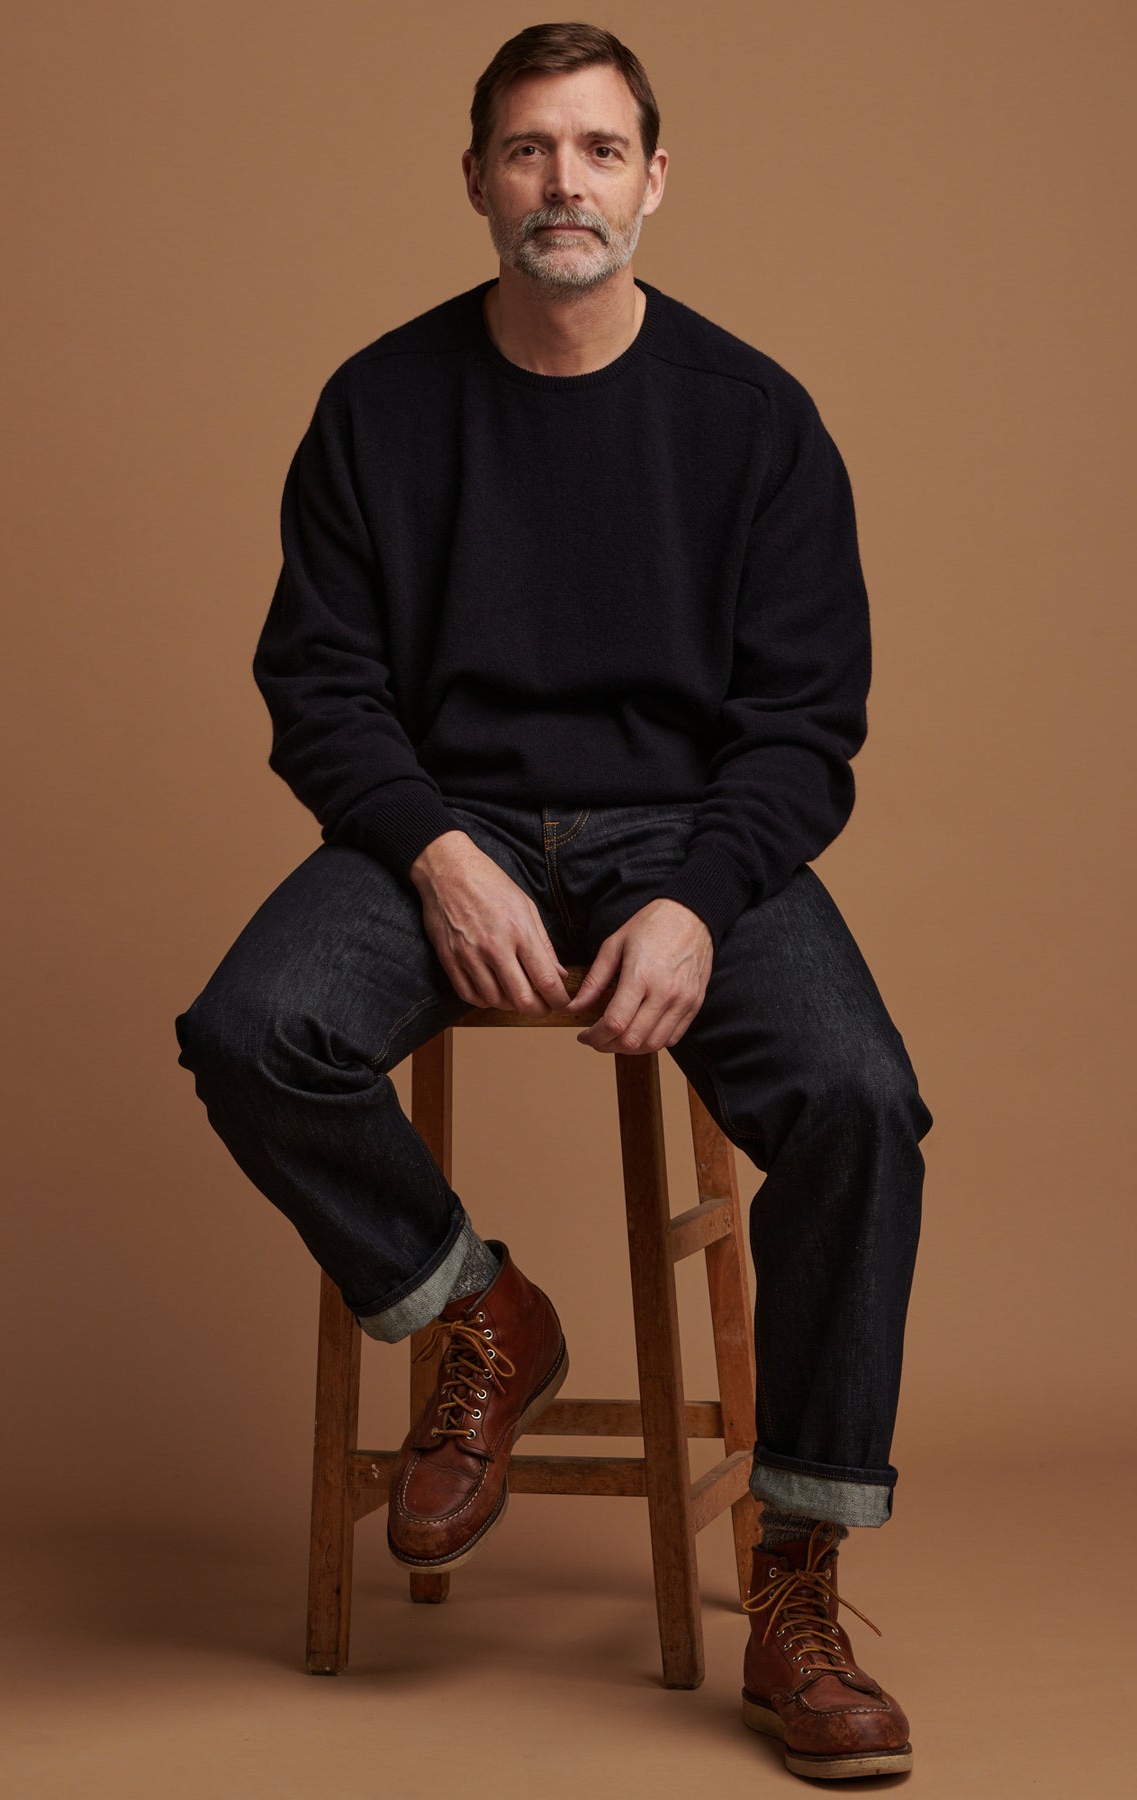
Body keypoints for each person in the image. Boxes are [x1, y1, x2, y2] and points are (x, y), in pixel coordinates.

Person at [175, 21, 932, 1783]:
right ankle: (480, 1315)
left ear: (653, 180)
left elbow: (806, 726)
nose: (562, 185)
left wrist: (695, 901)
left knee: (859, 1100)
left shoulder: (754, 420)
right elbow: (322, 684)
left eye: (598, 151)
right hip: (452, 825)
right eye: (528, 151)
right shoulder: (379, 405)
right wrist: (432, 847)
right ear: (475, 181)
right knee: (248, 1029)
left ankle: (798, 1583)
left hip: (694, 841)